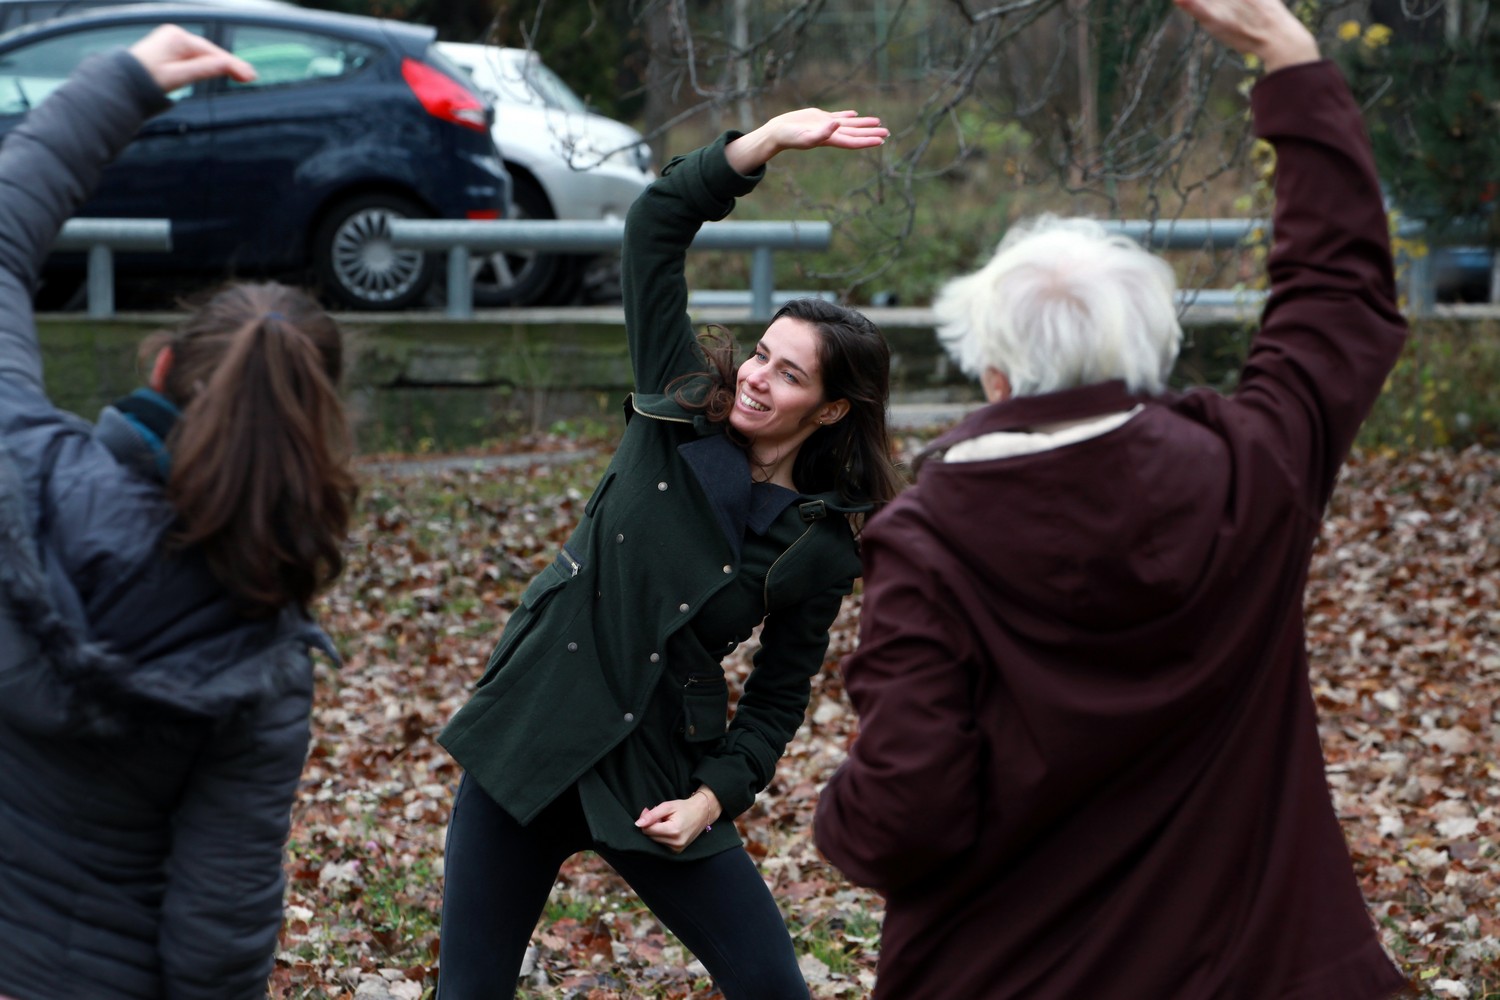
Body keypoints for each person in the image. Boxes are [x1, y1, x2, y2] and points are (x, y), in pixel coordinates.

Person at [813, 1, 1412, 997]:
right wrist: (1289, 57)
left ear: (994, 378)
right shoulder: (1247, 471)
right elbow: (1338, 298)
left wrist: (841, 817)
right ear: (1140, 355)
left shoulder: (926, 539)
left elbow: (905, 807)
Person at [435, 109, 903, 998]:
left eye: (790, 374)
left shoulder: (820, 542)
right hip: (531, 728)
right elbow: (653, 230)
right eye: (763, 354)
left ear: (833, 410)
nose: (759, 377)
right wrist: (760, 145)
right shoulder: (677, 403)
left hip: (657, 769)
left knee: (774, 986)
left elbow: (776, 699)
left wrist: (713, 798)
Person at [0, 27, 357, 1000]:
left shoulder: (20, 470)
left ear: (161, 371)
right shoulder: (266, 662)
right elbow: (216, 941)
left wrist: (116, 85)